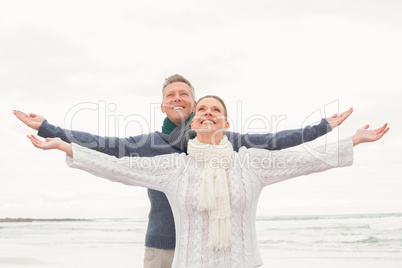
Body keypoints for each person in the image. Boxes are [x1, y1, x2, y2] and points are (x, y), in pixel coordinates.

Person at [14, 74, 353, 268]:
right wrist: (49, 129)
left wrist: (323, 127)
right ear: (162, 105)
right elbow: (102, 148)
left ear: (193, 105)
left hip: (213, 249)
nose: (178, 99)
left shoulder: (228, 142)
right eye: (170, 95)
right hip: (164, 246)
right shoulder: (148, 143)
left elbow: (277, 142)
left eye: (185, 95)